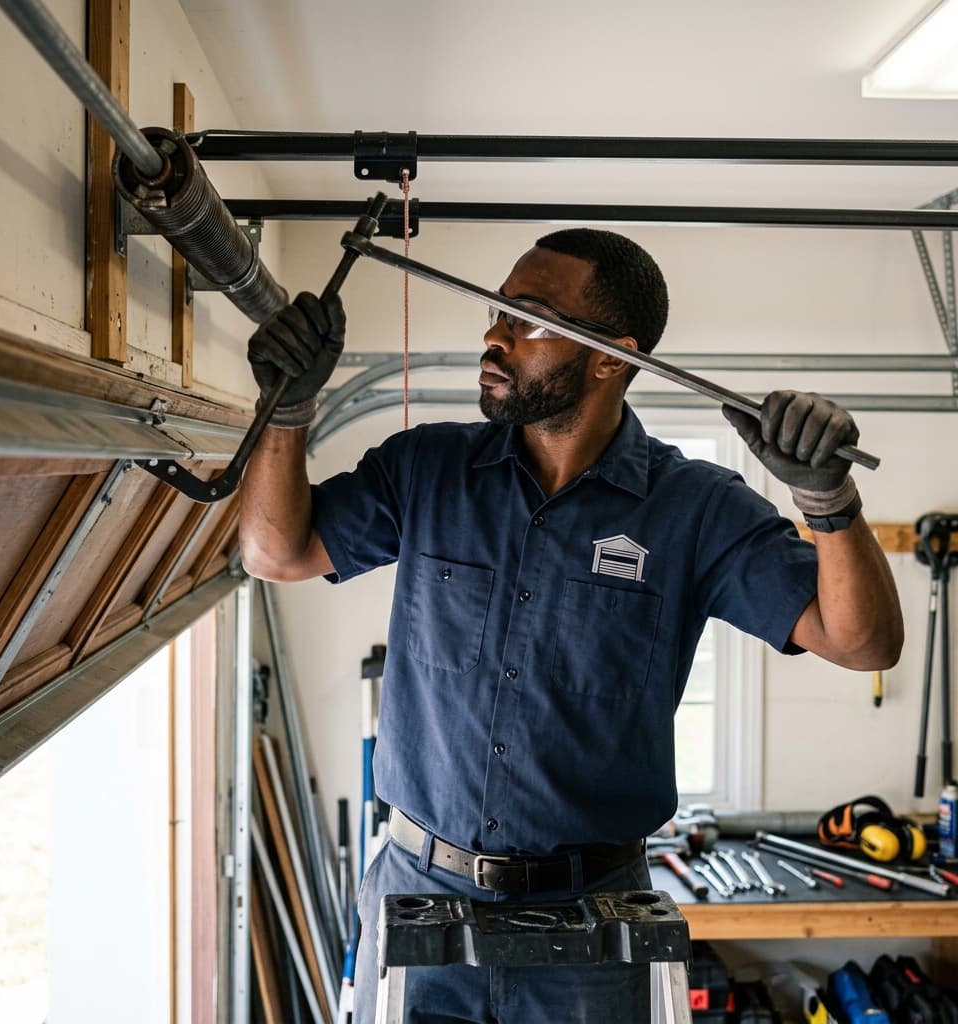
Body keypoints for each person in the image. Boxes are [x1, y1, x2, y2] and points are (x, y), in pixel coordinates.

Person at [240, 229, 903, 1024]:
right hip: (420, 896)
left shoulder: (695, 509)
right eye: (496, 312)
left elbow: (864, 642)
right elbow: (274, 553)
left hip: (592, 926)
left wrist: (828, 504)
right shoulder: (427, 470)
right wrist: (289, 406)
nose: (494, 335)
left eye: (528, 320)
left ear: (610, 358)